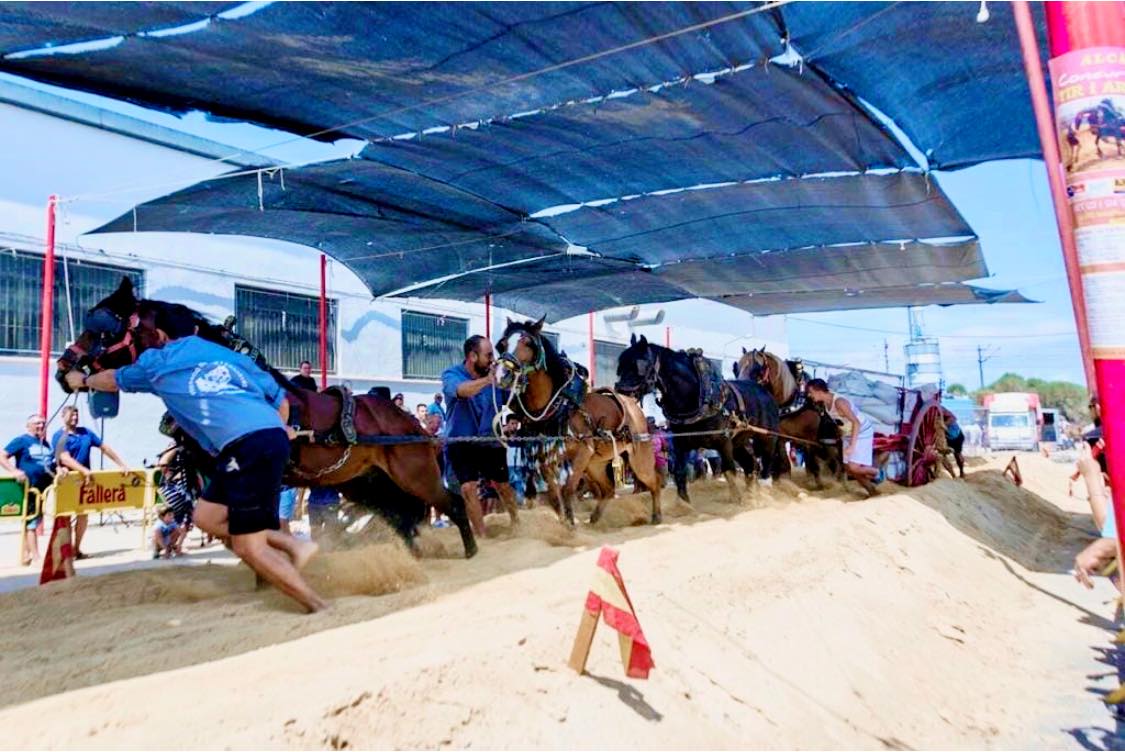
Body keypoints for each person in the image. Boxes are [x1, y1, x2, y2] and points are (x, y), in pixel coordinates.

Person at [76, 330, 327, 613]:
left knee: (249, 547)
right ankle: (290, 545)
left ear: (160, 333)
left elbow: (112, 379)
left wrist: (83, 380)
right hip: (255, 441)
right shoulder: (227, 355)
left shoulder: (158, 361)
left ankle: (317, 605)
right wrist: (276, 432)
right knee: (205, 517)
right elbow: (280, 401)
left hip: (246, 444)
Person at [441, 334, 518, 536]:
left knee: (503, 486)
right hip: (461, 442)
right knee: (468, 488)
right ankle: (482, 535)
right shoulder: (451, 374)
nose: (493, 359)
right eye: (488, 355)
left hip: (490, 440)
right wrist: (487, 380)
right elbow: (462, 390)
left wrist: (511, 420)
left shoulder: (497, 379)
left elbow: (507, 406)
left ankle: (517, 521)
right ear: (472, 356)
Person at [52, 405, 130, 559]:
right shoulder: (59, 436)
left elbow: (104, 448)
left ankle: (77, 549)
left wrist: (121, 464)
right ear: (63, 416)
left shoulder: (86, 433)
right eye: (71, 415)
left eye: (76, 415)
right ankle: (65, 550)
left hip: (85, 481)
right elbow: (64, 458)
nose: (74, 418)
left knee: (83, 516)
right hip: (67, 480)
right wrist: (83, 470)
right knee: (65, 516)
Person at [806, 378, 879, 495]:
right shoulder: (825, 404)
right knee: (848, 468)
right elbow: (840, 422)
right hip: (848, 434)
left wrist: (852, 446)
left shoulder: (839, 402)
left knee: (854, 467)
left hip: (862, 432)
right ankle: (872, 491)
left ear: (819, 391)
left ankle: (878, 473)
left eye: (811, 392)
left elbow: (856, 422)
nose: (809, 395)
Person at [0, 414, 53, 565]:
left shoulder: (46, 444)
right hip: (29, 489)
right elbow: (2, 456)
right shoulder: (21, 441)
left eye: (43, 423)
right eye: (37, 424)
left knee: (35, 520)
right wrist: (13, 471)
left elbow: (50, 464)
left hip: (43, 489)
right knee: (31, 522)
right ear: (28, 426)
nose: (41, 426)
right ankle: (36, 557)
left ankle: (25, 556)